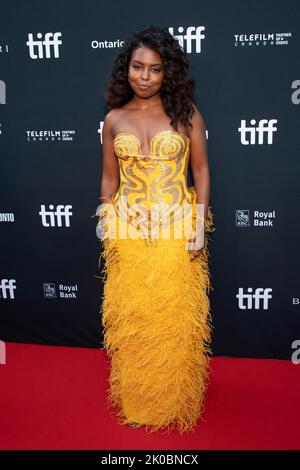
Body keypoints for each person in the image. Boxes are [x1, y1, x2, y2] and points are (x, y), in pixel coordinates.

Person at [95, 25, 215, 435]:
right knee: (136, 320)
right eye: (137, 67)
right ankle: (140, 400)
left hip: (176, 229)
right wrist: (107, 225)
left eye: (154, 69)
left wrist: (199, 227)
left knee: (173, 319)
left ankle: (173, 401)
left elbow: (200, 172)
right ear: (125, 69)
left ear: (168, 72)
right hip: (128, 233)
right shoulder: (113, 119)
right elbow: (109, 183)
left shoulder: (186, 114)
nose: (144, 77)